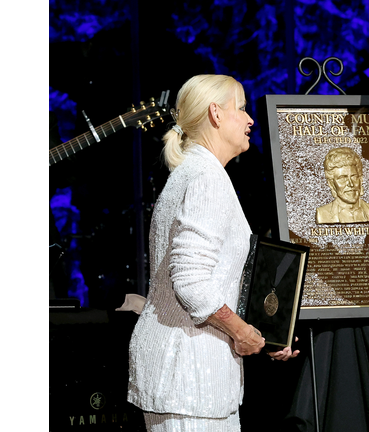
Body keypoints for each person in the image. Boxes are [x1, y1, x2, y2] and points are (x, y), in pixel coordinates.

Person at [127, 74, 299, 431]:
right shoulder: (205, 178)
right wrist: (241, 332)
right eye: (242, 109)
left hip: (191, 376)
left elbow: (214, 277)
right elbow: (189, 281)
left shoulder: (195, 173)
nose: (250, 119)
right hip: (189, 376)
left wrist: (266, 332)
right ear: (216, 114)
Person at [315, 147, 369, 224]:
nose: (350, 184)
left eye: (354, 176)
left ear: (360, 179)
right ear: (331, 184)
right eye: (342, 178)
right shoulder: (322, 214)